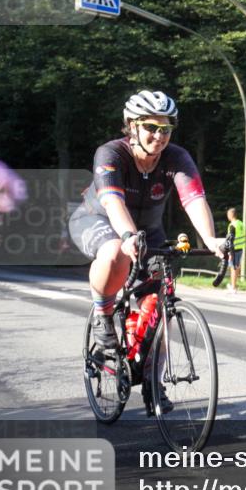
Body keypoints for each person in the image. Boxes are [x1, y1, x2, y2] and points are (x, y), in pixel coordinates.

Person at [69, 90, 227, 352]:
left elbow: (194, 199)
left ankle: (155, 384)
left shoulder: (176, 158)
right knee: (114, 253)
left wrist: (210, 239)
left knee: (160, 307)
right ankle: (103, 313)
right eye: (150, 127)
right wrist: (128, 236)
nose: (159, 135)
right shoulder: (111, 154)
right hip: (98, 220)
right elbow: (112, 202)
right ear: (133, 126)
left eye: (166, 128)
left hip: (149, 231)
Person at [225, 207, 246, 292]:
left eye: (228, 215)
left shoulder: (232, 225)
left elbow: (230, 238)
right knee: (237, 266)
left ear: (230, 215)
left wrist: (229, 251)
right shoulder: (241, 223)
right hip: (240, 248)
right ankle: (234, 285)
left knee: (233, 267)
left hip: (234, 249)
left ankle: (233, 287)